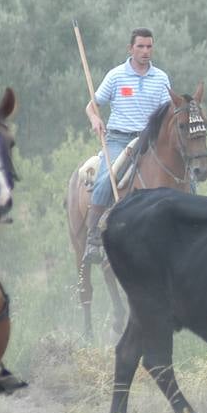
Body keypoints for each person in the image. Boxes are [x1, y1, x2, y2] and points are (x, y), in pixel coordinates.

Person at [82, 28, 172, 261]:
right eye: (140, 46)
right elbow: (92, 106)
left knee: (184, 176)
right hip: (119, 139)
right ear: (130, 49)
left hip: (149, 140)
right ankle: (92, 238)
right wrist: (95, 119)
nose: (145, 51)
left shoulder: (161, 78)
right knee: (106, 178)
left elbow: (166, 115)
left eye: (149, 46)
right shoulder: (116, 76)